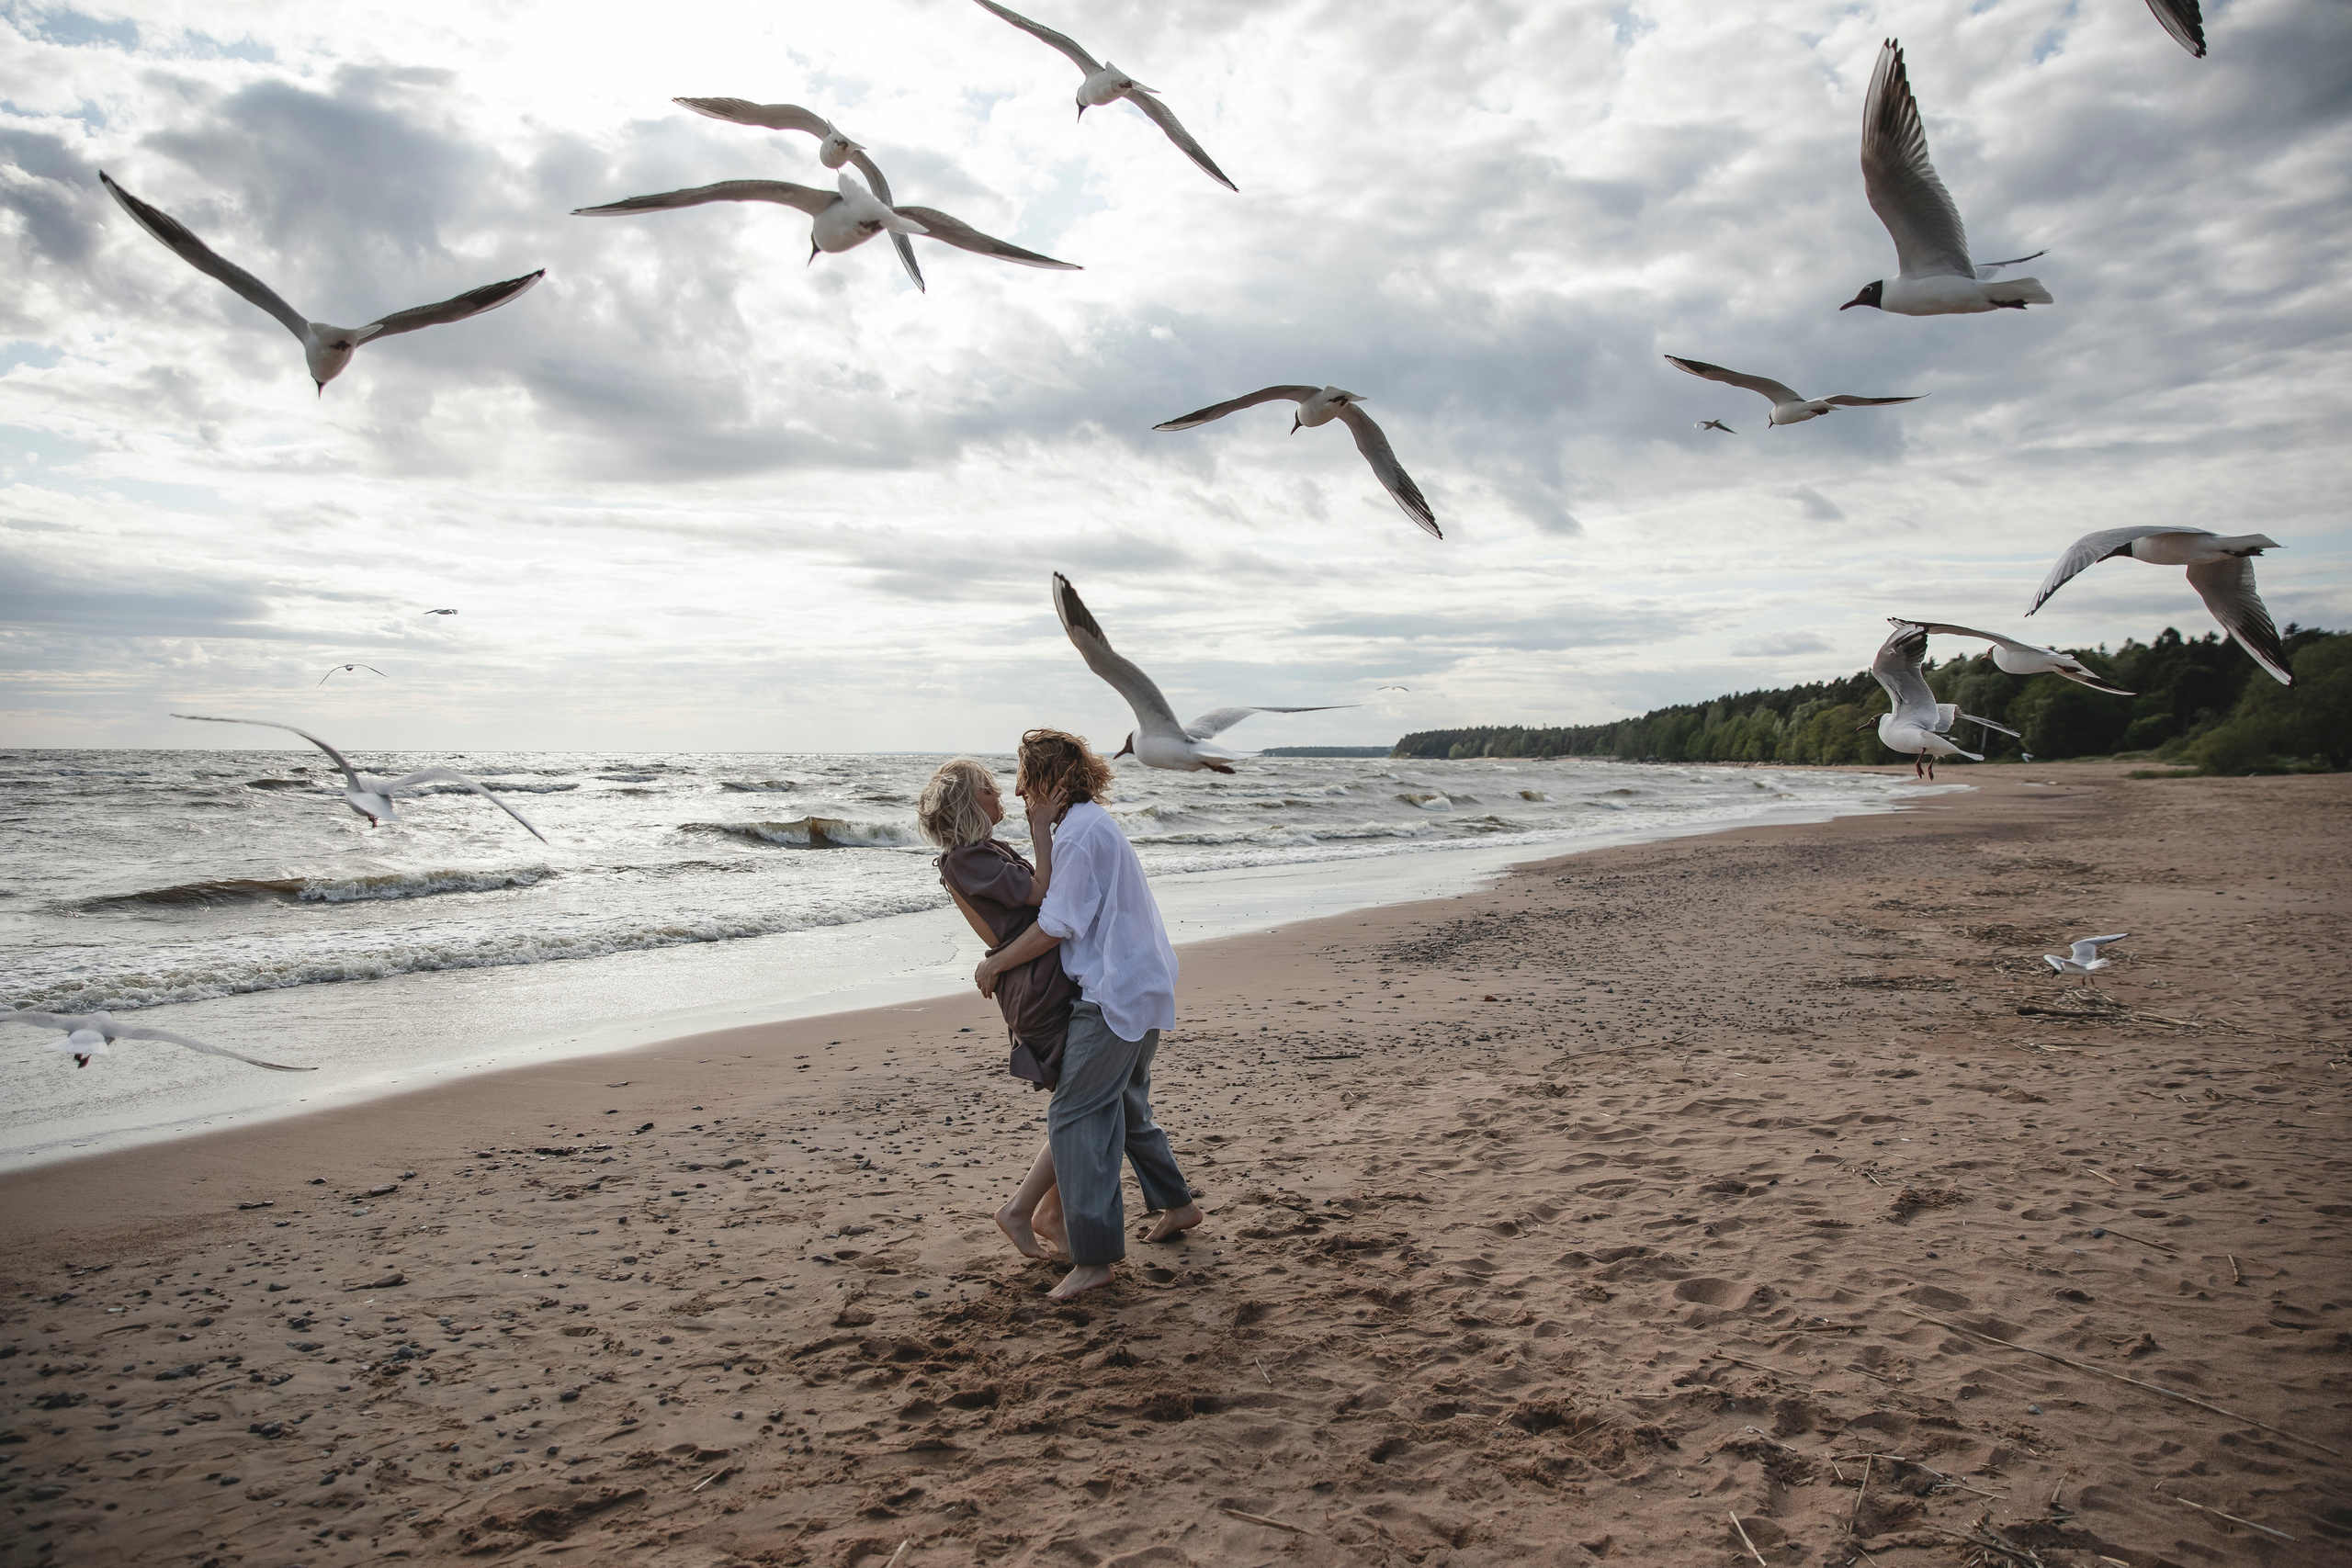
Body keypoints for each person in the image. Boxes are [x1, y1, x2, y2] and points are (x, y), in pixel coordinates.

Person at [976, 728, 1203, 1300]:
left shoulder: (1077, 834)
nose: (1021, 789)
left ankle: (1094, 1257)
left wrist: (996, 964)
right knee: (1123, 1104)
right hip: (1144, 980)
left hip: (1115, 993)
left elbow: (1058, 924)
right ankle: (1178, 1206)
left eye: (1026, 778)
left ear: (1048, 781)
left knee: (1075, 1115)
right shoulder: (1087, 825)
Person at [917, 757, 1076, 1258]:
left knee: (1081, 1097)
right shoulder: (970, 859)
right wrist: (1040, 827)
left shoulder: (980, 853)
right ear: (968, 801)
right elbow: (1044, 894)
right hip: (1035, 984)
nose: (1000, 793)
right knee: (1081, 1099)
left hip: (1038, 976)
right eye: (988, 789)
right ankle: (1027, 1210)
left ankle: (1048, 1213)